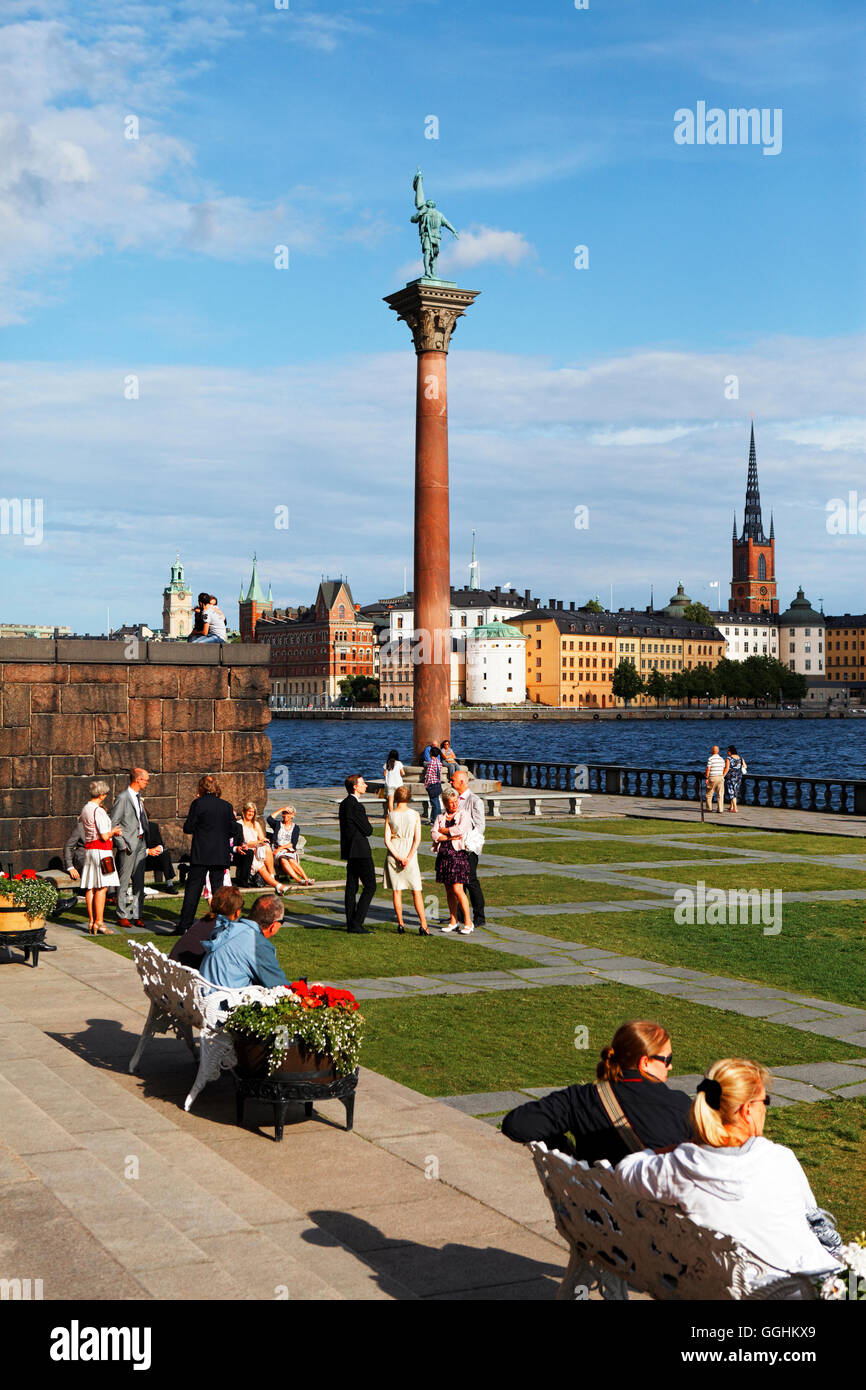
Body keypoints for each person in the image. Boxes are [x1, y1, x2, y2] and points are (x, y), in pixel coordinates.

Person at [617, 1057, 843, 1281]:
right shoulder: (780, 1159)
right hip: (807, 1284)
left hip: (731, 1285)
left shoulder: (679, 1167)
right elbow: (817, 1225)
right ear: (746, 1110)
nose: (765, 1110)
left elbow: (625, 1169)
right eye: (765, 1101)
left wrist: (682, 1147)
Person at [501, 1020, 691, 1163]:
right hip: (652, 1213)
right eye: (667, 1059)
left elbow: (516, 1124)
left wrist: (562, 1146)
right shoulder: (681, 1106)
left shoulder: (578, 1099)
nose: (670, 1066)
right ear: (645, 1062)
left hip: (596, 1212)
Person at [175, 775, 245, 935]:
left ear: (201, 788)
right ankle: (220, 924)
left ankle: (184, 925)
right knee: (219, 892)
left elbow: (188, 827)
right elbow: (234, 829)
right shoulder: (226, 806)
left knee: (193, 890)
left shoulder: (198, 804)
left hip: (201, 854)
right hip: (220, 855)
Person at [199, 894, 290, 989]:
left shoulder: (229, 928)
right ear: (274, 925)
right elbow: (279, 986)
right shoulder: (257, 944)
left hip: (204, 995)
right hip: (225, 1000)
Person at [78, 781, 125, 934]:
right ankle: (99, 922)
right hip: (102, 852)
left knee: (91, 887)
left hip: (90, 850)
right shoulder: (98, 811)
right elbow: (104, 836)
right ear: (102, 795)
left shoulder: (86, 808)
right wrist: (114, 832)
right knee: (102, 887)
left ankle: (92, 922)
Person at [383, 786, 429, 935]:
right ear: (409, 798)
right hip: (410, 853)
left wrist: (397, 856)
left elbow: (387, 840)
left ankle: (401, 924)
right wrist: (408, 857)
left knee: (397, 891)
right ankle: (423, 925)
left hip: (394, 851)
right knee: (416, 890)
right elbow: (418, 839)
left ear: (396, 798)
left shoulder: (390, 815)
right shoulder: (415, 814)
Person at [110, 767, 152, 929]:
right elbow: (114, 823)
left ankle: (137, 914)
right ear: (138, 780)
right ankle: (122, 914)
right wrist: (122, 845)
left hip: (141, 843)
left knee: (139, 882)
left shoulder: (138, 797)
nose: (147, 783)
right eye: (146, 780)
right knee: (124, 881)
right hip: (128, 845)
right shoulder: (123, 798)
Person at [169, 884, 241, 969]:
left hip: (172, 971)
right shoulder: (224, 931)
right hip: (191, 977)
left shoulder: (202, 923)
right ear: (237, 912)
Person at [432, 787, 473, 933]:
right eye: (451, 802)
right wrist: (448, 836)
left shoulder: (463, 814)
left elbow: (461, 830)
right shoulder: (440, 817)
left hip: (458, 857)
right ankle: (453, 920)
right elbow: (434, 834)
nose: (454, 804)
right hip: (443, 857)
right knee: (449, 890)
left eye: (456, 801)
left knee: (458, 889)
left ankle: (468, 921)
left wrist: (445, 831)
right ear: (445, 803)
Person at [339, 774, 376, 934]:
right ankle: (356, 922)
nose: (365, 785)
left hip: (349, 850)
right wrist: (366, 821)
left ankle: (351, 922)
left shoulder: (344, 804)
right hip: (360, 850)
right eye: (362, 783)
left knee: (352, 886)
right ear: (355, 786)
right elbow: (368, 830)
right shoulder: (356, 806)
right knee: (370, 886)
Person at [450, 767, 486, 928]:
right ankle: (458, 916)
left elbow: (480, 826)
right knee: (457, 883)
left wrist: (466, 842)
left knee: (471, 881)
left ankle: (479, 916)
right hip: (455, 847)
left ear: (462, 782)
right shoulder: (454, 799)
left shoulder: (475, 801)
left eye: (453, 780)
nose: (450, 782)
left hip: (468, 848)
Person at [235, 802, 286, 894]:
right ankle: (278, 885)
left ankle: (272, 876)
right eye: (249, 811)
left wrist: (264, 840)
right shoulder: (239, 824)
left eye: (253, 812)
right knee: (259, 865)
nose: (251, 814)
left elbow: (262, 838)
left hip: (258, 850)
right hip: (247, 850)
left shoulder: (256, 824)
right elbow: (243, 843)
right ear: (244, 812)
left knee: (266, 847)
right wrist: (258, 842)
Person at [267, 806, 315, 886]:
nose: (286, 815)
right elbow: (269, 819)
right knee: (283, 859)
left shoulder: (295, 827)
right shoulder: (278, 824)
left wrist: (280, 849)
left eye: (288, 813)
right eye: (284, 813)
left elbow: (293, 843)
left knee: (291, 860)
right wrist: (282, 809)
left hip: (288, 850)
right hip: (277, 850)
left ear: (293, 815)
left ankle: (306, 878)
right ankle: (299, 880)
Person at [423, 744, 444, 823]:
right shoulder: (439, 762)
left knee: (434, 803)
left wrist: (426, 784)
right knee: (437, 802)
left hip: (432, 784)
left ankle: (435, 820)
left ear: (431, 753)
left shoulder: (431, 762)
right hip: (437, 783)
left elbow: (428, 774)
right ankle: (436, 818)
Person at [724, 745, 747, 814]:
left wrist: (722, 776)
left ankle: (735, 808)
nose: (727, 752)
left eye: (728, 750)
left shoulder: (729, 759)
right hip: (738, 777)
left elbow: (727, 769)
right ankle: (731, 806)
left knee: (731, 791)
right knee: (735, 791)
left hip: (730, 777)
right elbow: (745, 766)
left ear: (730, 751)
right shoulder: (740, 758)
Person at [705, 744, 726, 812]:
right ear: (718, 751)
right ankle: (720, 809)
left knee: (709, 794)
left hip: (712, 777)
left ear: (712, 751)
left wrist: (707, 777)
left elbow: (708, 769)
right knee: (720, 794)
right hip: (720, 777)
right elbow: (723, 769)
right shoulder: (722, 759)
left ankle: (709, 808)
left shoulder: (710, 759)